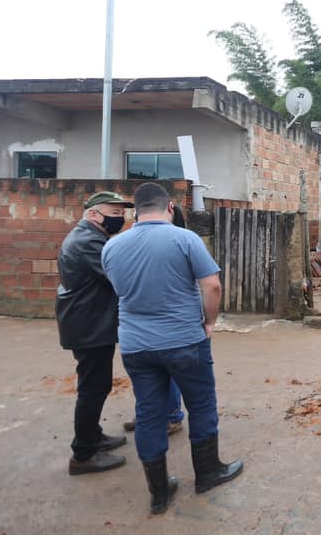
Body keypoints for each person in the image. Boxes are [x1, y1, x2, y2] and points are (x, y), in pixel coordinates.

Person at [102, 183, 242, 515]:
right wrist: (209, 322)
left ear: (136, 211)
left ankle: (159, 493)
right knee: (202, 404)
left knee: (149, 414)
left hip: (136, 346)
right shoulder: (185, 239)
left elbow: (119, 289)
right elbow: (213, 285)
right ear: (169, 208)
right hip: (184, 342)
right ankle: (208, 474)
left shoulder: (112, 246)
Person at [56, 191, 133, 476]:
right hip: (88, 326)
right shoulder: (87, 241)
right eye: (114, 214)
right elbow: (115, 277)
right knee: (92, 388)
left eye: (121, 214)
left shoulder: (90, 237)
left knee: (96, 385)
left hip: (89, 322)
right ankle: (83, 454)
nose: (120, 220)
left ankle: (93, 435)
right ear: (93, 215)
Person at [123, 205, 188, 436]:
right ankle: (151, 414)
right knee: (149, 375)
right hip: (142, 324)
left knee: (167, 371)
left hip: (169, 322)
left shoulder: (180, 242)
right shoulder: (136, 241)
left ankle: (171, 415)